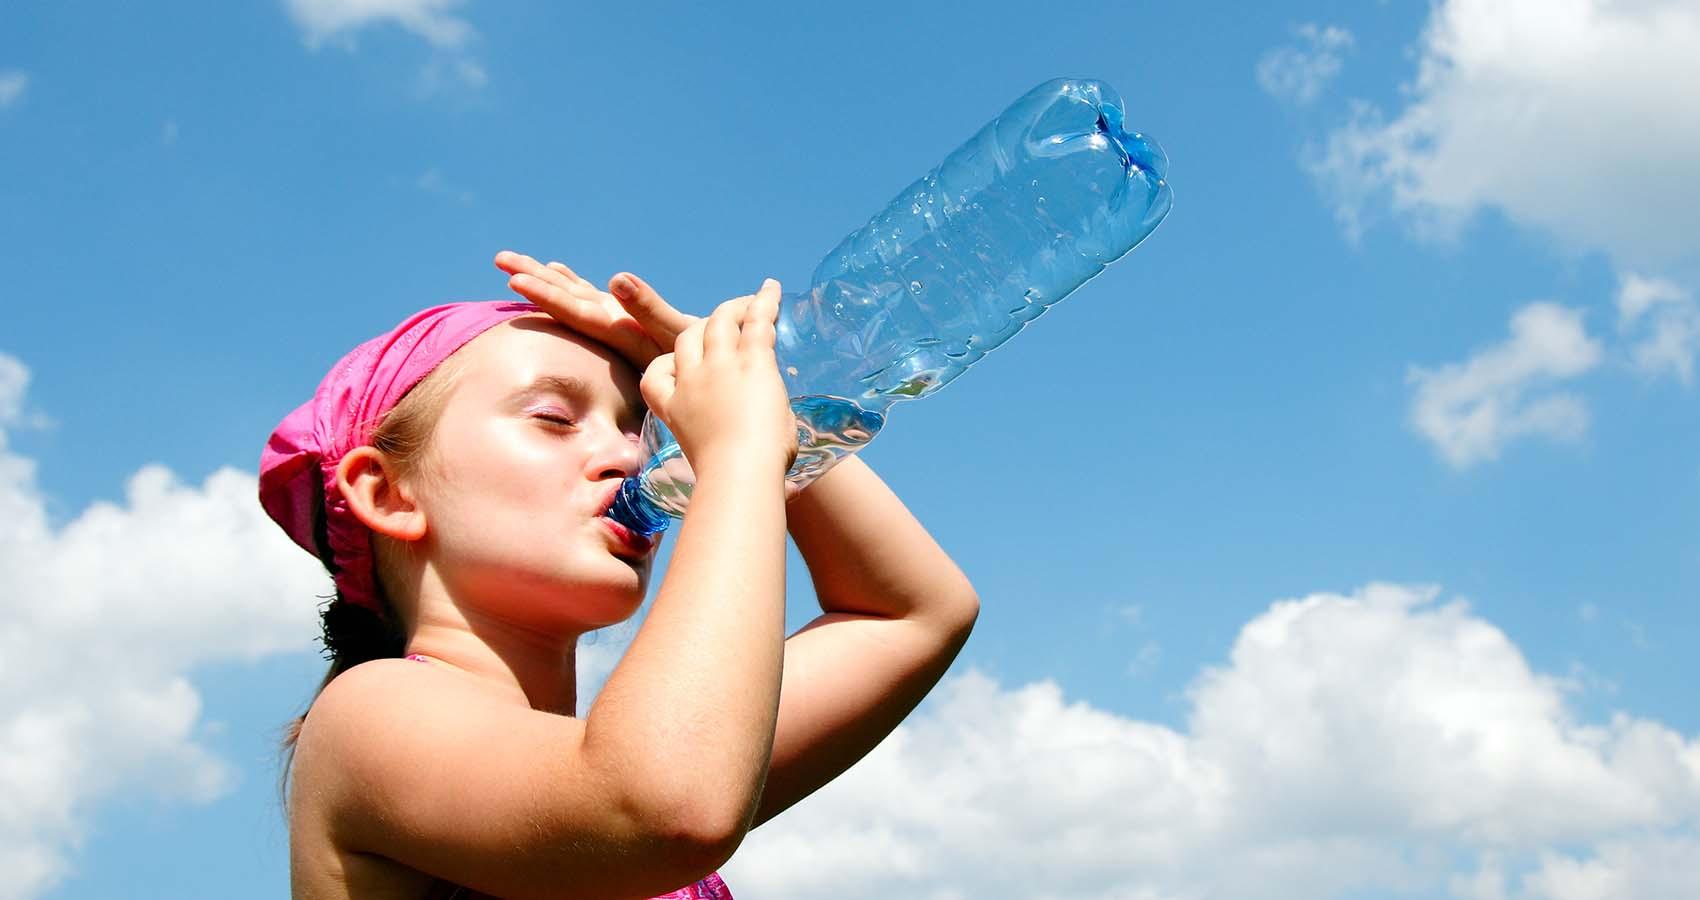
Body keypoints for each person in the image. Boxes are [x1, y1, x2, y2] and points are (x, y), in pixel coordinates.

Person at [262, 250, 981, 899]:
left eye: (640, 425)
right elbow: (661, 807)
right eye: (552, 417)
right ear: (387, 493)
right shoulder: (367, 719)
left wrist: (759, 408)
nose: (632, 457)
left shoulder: (660, 742)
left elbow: (912, 613)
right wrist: (737, 452)